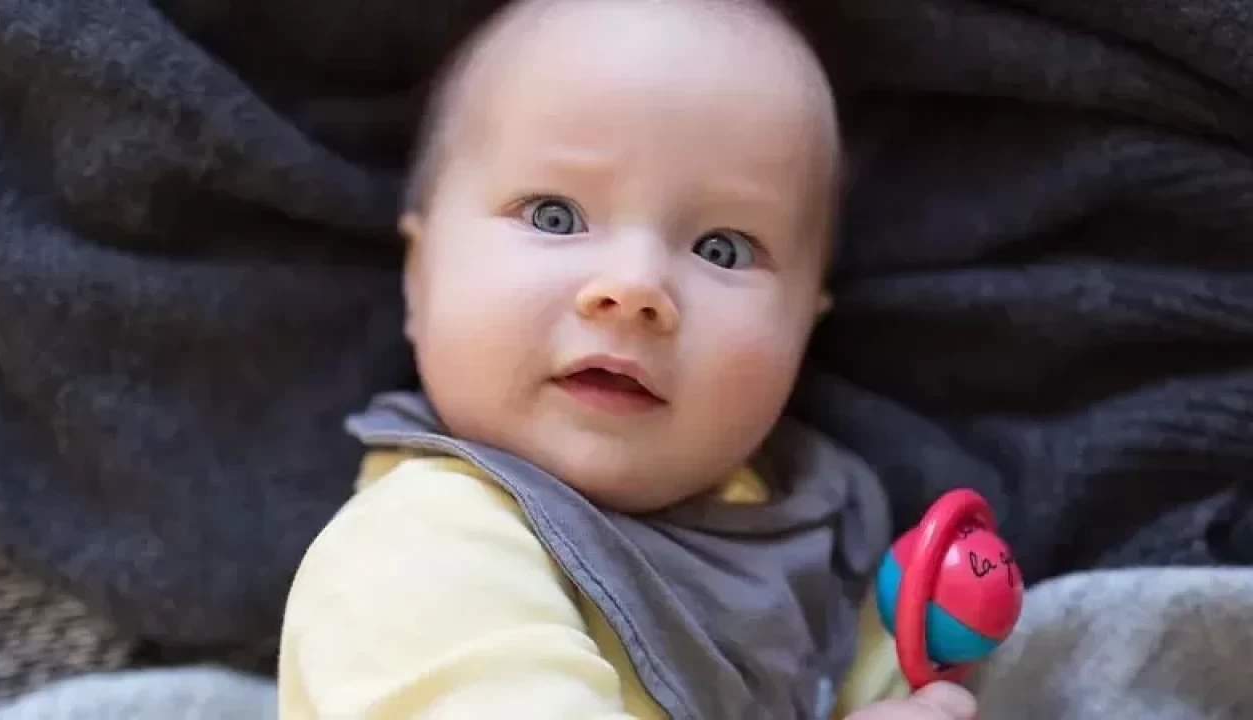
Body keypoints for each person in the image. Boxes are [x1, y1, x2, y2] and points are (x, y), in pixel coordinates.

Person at [277, 0, 976, 717]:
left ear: (806, 325)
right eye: (554, 216)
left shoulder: (811, 523)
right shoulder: (423, 551)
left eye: (722, 249)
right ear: (419, 278)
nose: (635, 287)